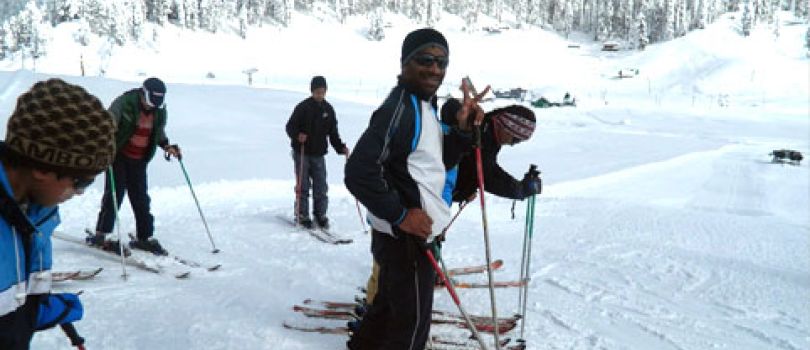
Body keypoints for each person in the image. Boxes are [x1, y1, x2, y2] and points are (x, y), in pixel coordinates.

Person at [345, 28, 484, 350]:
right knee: (410, 329)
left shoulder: (423, 106)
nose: (434, 69)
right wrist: (402, 215)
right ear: (405, 63)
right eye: (425, 60)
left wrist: (463, 130)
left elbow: (432, 163)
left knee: (386, 311)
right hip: (407, 238)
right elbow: (359, 172)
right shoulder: (400, 110)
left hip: (403, 236)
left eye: (441, 62)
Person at [0, 78, 116, 348]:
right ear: (42, 169)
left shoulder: (34, 214)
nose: (80, 193)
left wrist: (34, 311)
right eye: (81, 182)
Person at [90, 77, 181, 255]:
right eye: (151, 100)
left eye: (157, 102)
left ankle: (144, 238)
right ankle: (102, 234)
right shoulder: (125, 102)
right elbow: (108, 122)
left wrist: (167, 146)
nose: (152, 105)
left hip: (139, 160)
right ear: (143, 93)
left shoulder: (158, 111)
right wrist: (105, 139)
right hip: (118, 156)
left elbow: (158, 132)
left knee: (141, 199)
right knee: (115, 195)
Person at [441, 99, 542, 203]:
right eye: (515, 139)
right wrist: (520, 190)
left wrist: (466, 191)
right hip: (439, 193)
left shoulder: (489, 132)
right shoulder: (483, 135)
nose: (512, 144)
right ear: (506, 127)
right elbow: (487, 176)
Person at [285, 76, 348, 230]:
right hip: (302, 153)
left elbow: (333, 133)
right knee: (303, 185)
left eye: (322, 91)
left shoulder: (328, 110)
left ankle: (320, 215)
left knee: (321, 186)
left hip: (319, 154)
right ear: (312, 91)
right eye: (317, 91)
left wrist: (340, 148)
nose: (320, 94)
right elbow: (290, 126)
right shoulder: (303, 107)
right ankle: (302, 214)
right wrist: (297, 135)